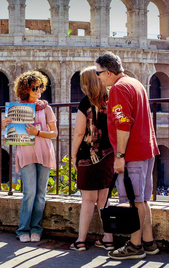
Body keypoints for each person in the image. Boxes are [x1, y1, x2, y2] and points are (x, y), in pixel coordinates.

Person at [95, 52, 161, 260]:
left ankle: (135, 245)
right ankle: (148, 242)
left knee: (134, 201)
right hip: (146, 150)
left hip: (132, 153)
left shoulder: (118, 88)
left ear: (107, 72)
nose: (97, 77)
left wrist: (120, 155)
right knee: (142, 200)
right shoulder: (135, 83)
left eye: (98, 73)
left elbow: (123, 123)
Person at [1, 70, 57, 243]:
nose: (39, 91)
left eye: (40, 87)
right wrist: (5, 125)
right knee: (29, 193)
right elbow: (9, 136)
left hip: (44, 152)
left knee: (40, 194)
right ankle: (23, 229)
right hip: (26, 153)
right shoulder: (16, 110)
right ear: (25, 89)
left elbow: (54, 133)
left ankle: (36, 229)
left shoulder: (46, 108)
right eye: (35, 88)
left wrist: (37, 132)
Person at [69, 66, 115, 252]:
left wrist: (73, 154)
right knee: (104, 200)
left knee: (88, 200)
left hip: (87, 157)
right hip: (108, 155)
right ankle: (108, 239)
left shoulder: (85, 103)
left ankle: (80, 241)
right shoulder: (110, 100)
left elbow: (80, 132)